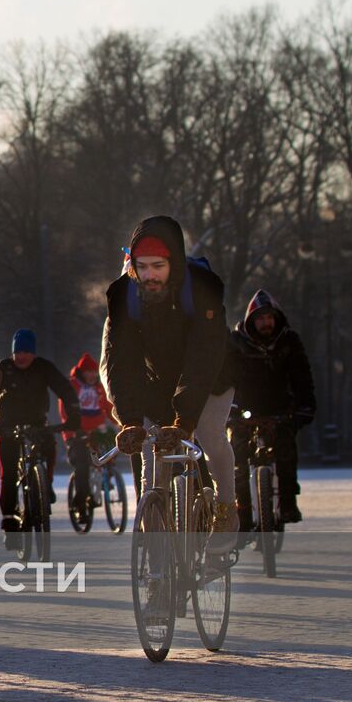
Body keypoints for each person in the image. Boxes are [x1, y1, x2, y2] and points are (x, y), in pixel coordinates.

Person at [102, 216, 237, 553]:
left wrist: (185, 420)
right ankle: (158, 568)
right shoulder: (123, 295)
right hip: (157, 381)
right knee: (151, 459)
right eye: (142, 266)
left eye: (158, 266)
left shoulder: (202, 288)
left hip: (212, 378)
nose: (149, 275)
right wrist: (130, 419)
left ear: (173, 263)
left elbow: (203, 360)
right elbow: (121, 362)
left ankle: (226, 508)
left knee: (207, 434)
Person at [0, 328, 81, 547]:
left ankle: (46, 484)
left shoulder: (44, 368)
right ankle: (9, 523)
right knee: (7, 474)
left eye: (26, 352)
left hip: (37, 423)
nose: (21, 357)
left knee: (49, 447)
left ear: (33, 353)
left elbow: (64, 389)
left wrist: (73, 413)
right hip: (7, 426)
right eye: (18, 353)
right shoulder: (3, 369)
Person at [229, 290, 315, 527]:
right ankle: (243, 512)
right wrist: (229, 409)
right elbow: (226, 378)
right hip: (244, 410)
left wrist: (305, 406)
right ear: (251, 321)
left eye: (269, 317)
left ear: (277, 319)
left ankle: (287, 503)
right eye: (260, 318)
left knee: (286, 451)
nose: (266, 323)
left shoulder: (289, 341)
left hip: (279, 408)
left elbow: (301, 376)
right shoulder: (236, 343)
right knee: (237, 460)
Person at [60, 353, 118, 511]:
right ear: (81, 373)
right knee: (82, 465)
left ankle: (108, 476)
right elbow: (65, 411)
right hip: (78, 432)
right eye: (88, 372)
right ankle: (81, 500)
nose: (92, 375)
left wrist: (120, 424)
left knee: (113, 447)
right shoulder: (73, 386)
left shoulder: (100, 387)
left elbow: (108, 408)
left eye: (94, 372)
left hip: (97, 430)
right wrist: (70, 434)